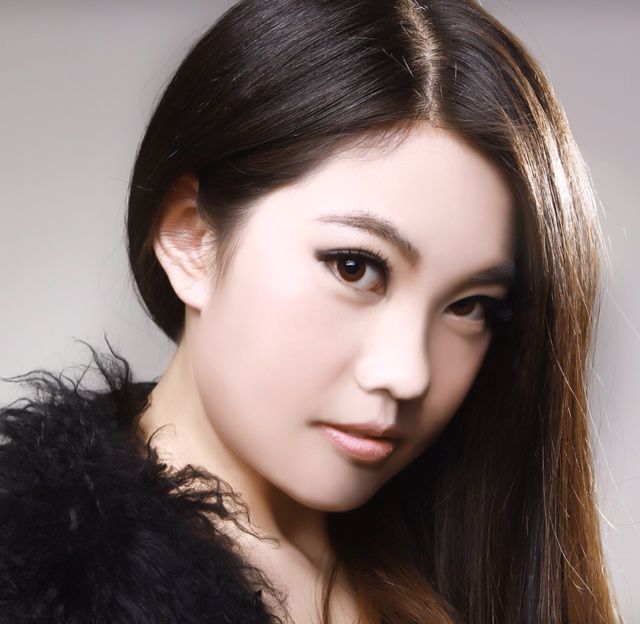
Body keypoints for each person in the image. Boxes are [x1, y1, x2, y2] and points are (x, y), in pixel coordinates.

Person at [0, 0, 620, 622]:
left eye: (469, 306)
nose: (408, 375)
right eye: (355, 267)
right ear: (193, 239)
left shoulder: (470, 564)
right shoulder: (40, 581)